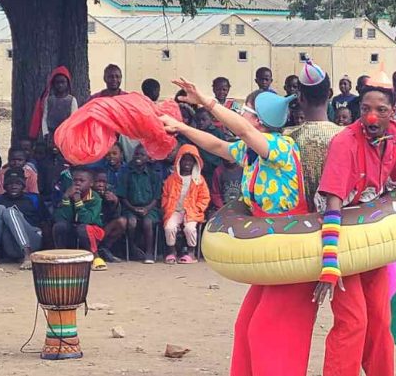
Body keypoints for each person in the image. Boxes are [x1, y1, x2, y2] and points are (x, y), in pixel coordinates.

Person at [160, 77, 313, 375]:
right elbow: (218, 145)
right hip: (270, 248)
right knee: (246, 324)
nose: (241, 116)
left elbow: (241, 130)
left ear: (259, 120)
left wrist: (206, 101)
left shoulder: (279, 147)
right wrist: (181, 128)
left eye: (246, 111)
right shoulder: (252, 152)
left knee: (264, 328)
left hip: (291, 248)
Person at [315, 84, 396, 376]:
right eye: (365, 110)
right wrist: (329, 263)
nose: (371, 117)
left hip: (372, 234)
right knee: (353, 321)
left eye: (381, 110)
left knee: (379, 319)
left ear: (393, 112)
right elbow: (333, 203)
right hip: (343, 234)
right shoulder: (345, 141)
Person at [284, 59, 344, 211]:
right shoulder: (347, 137)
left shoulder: (285, 139)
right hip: (339, 224)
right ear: (329, 94)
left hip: (296, 226)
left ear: (300, 98)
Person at [0, 168, 47, 269]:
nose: (14, 186)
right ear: (5, 186)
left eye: (18, 183)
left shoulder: (33, 199)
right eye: (10, 183)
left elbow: (45, 222)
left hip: (32, 240)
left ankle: (27, 254)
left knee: (10, 211)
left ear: (23, 185)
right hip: (10, 245)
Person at [161, 145, 210, 264]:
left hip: (192, 211)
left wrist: (197, 209)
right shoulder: (171, 179)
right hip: (175, 210)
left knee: (190, 228)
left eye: (190, 160)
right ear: (179, 161)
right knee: (169, 227)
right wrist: (167, 207)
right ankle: (172, 252)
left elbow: (204, 197)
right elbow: (165, 195)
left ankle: (191, 253)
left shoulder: (199, 180)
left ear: (195, 163)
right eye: (184, 160)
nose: (187, 163)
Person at [53, 166, 106, 270]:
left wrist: (78, 202)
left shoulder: (95, 198)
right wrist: (66, 199)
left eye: (82, 181)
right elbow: (62, 218)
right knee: (59, 226)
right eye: (75, 180)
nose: (77, 183)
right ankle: (62, 257)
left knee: (83, 228)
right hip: (74, 228)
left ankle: (95, 257)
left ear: (91, 183)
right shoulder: (69, 194)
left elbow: (87, 220)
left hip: (93, 231)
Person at [117, 144, 162, 264]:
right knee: (131, 223)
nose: (138, 157)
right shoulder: (126, 173)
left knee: (148, 222)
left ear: (148, 157)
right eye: (136, 154)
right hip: (130, 207)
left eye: (142, 155)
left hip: (149, 208)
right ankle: (132, 248)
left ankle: (149, 252)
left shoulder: (153, 174)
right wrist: (133, 208)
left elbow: (156, 197)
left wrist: (147, 209)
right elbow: (123, 196)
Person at [28, 66, 78, 141]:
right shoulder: (48, 100)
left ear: (67, 83)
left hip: (65, 136)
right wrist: (46, 133)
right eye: (57, 82)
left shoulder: (72, 100)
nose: (60, 85)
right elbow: (44, 118)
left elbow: (74, 119)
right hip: (51, 135)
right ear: (53, 84)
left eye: (63, 82)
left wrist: (68, 134)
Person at [92, 169, 127, 264]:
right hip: (91, 225)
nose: (100, 185)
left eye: (103, 182)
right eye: (97, 181)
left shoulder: (110, 191)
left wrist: (115, 202)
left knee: (122, 222)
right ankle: (97, 250)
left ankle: (104, 248)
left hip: (105, 226)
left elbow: (116, 215)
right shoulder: (88, 192)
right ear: (91, 182)